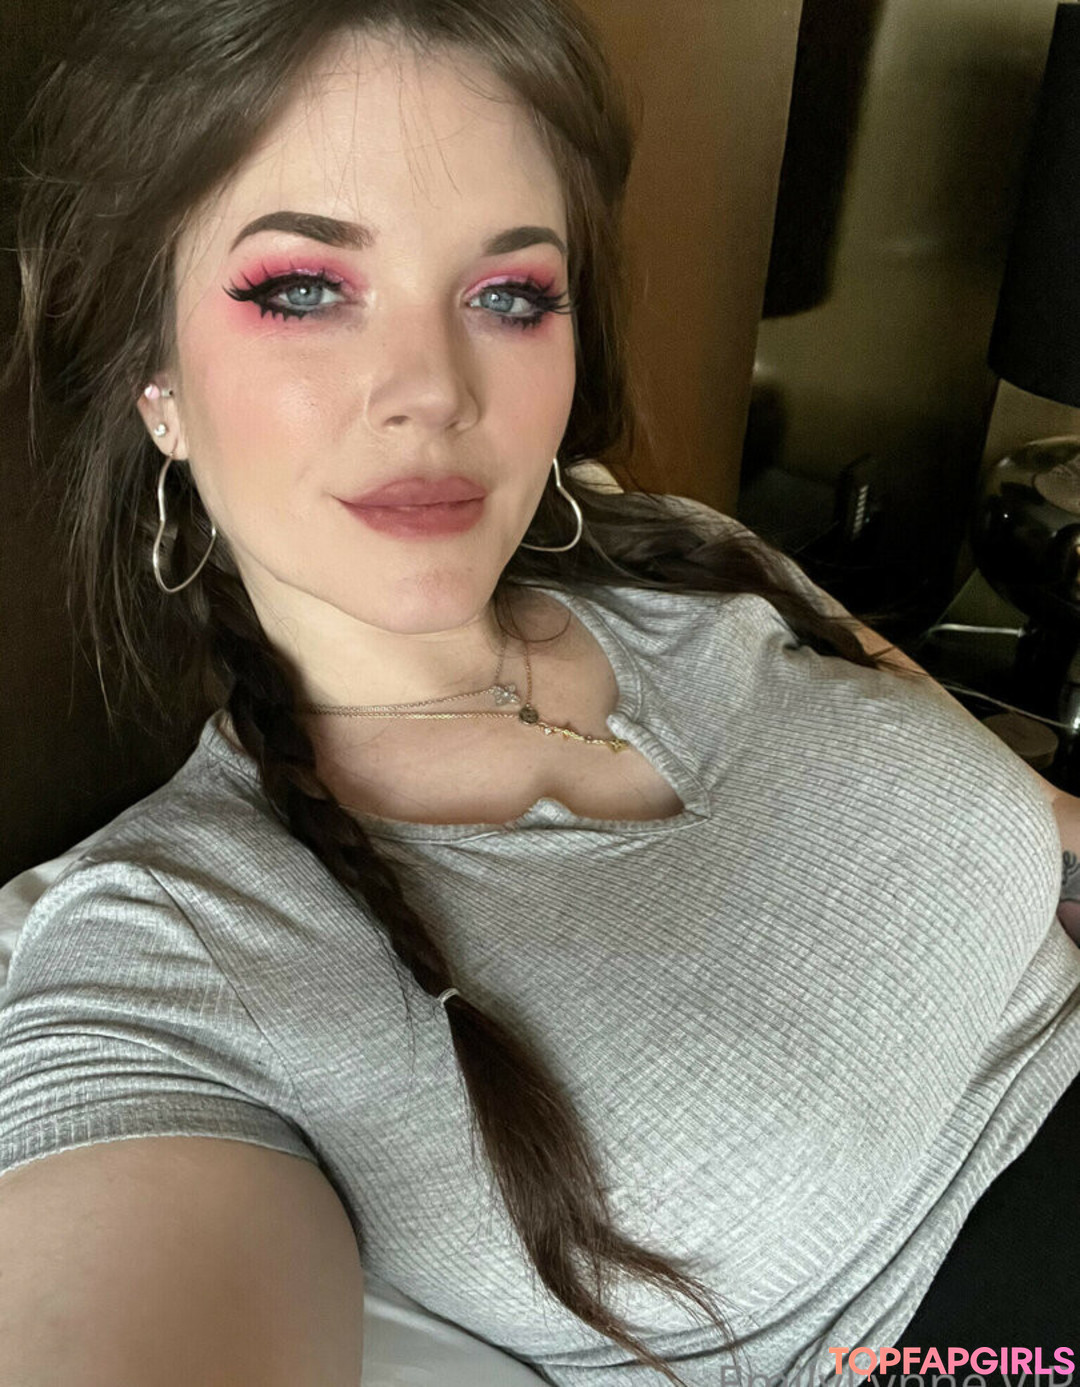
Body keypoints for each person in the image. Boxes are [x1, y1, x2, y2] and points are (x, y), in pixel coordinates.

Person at [0, 2, 1078, 1384]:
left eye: (510, 296)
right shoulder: (167, 951)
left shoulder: (691, 557)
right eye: (304, 289)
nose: (434, 391)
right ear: (155, 382)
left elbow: (1045, 823)